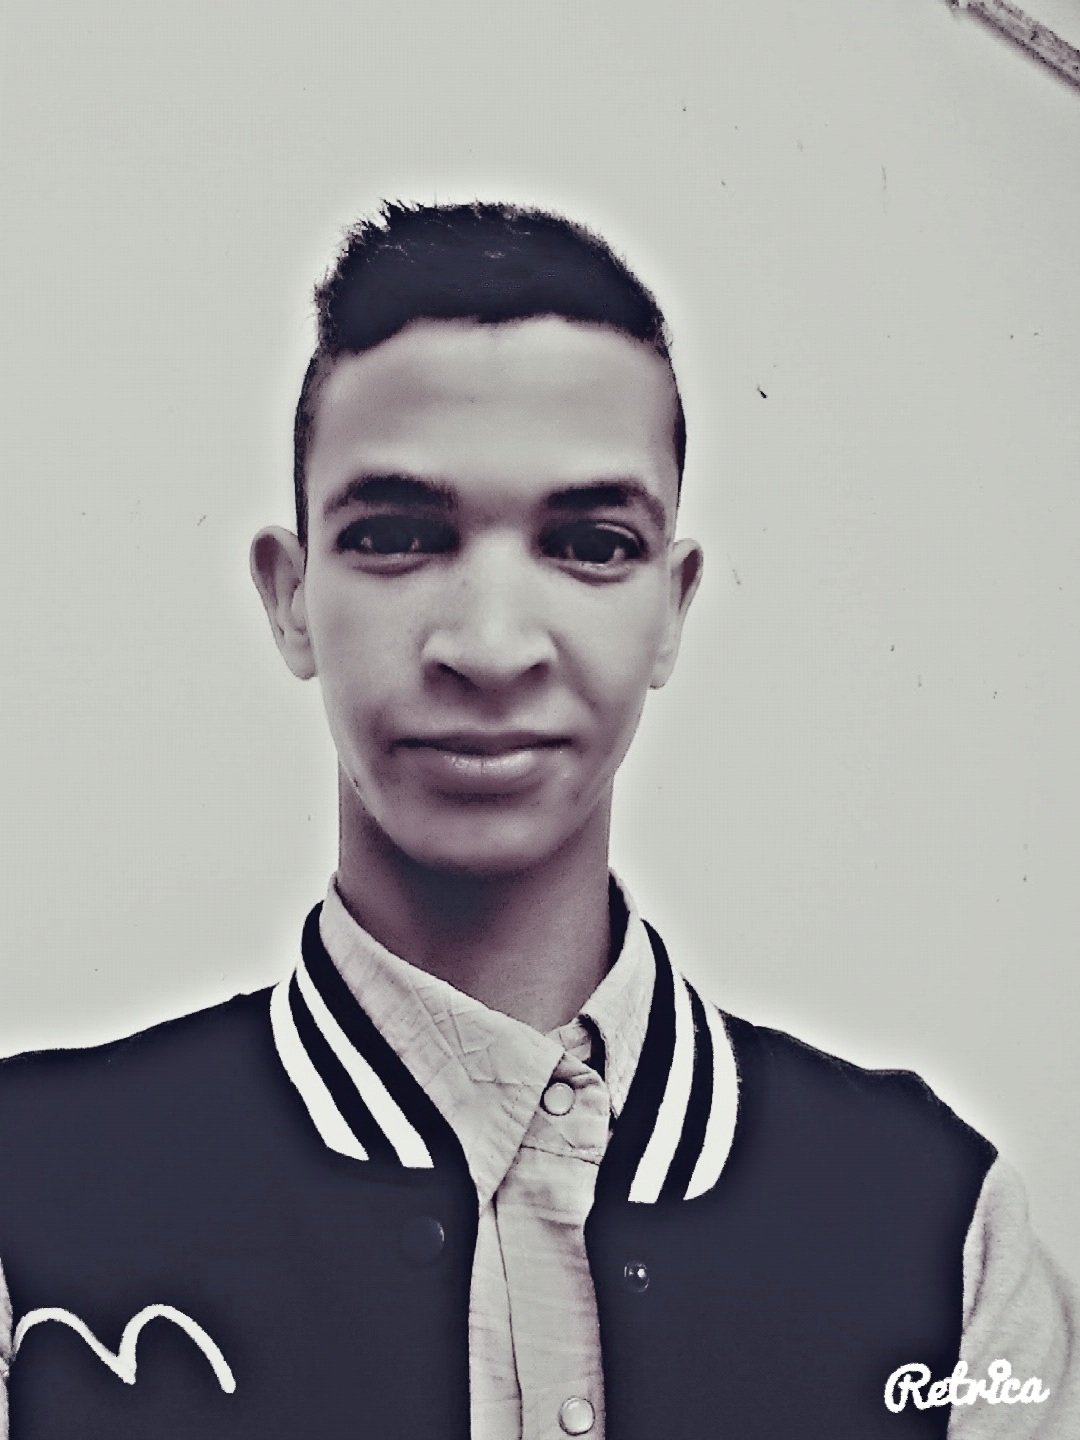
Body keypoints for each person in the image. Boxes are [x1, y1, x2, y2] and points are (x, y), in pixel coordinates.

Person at [0, 202, 1075, 1439]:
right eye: (395, 536)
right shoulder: (30, 1195)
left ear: (673, 609)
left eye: (592, 545)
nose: (491, 646)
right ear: (292, 599)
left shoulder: (942, 1228)